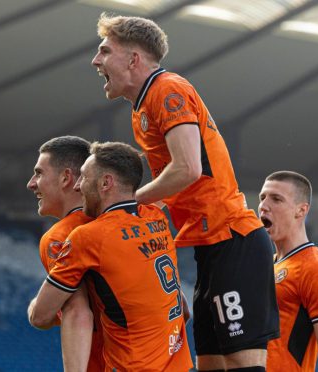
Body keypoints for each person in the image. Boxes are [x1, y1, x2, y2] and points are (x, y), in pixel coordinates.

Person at [91, 13, 279, 371]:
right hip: (209, 247)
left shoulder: (168, 89)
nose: (95, 60)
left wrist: (127, 204)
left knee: (242, 360)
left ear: (133, 59)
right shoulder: (142, 109)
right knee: (208, 362)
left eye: (104, 51)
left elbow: (188, 168)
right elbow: (172, 182)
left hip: (232, 238)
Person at [28, 141, 193, 371]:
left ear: (105, 182)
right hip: (179, 362)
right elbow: (183, 309)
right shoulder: (153, 216)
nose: (78, 186)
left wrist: (35, 307)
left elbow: (69, 313)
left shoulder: (72, 236)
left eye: (84, 177)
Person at [26, 135, 104, 371]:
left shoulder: (61, 237)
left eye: (39, 173)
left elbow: (77, 312)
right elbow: (181, 309)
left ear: (66, 178)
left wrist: (37, 306)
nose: (31, 183)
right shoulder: (131, 222)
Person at [258, 171, 318, 371]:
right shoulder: (266, 265)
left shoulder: (316, 269)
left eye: (276, 199)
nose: (263, 206)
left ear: (301, 210)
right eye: (262, 197)